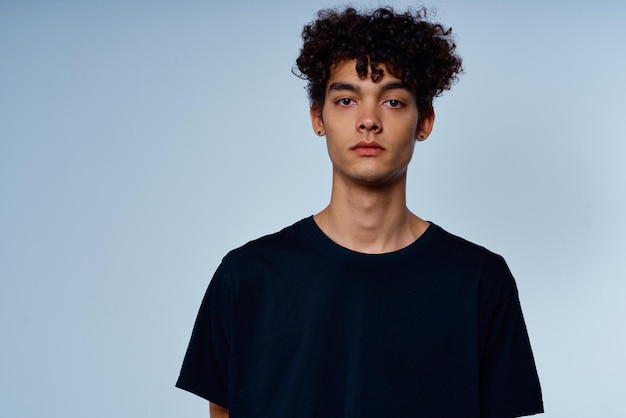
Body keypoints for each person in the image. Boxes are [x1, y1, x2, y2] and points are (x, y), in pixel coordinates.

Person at [176, 6, 543, 418]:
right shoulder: (247, 277)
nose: (369, 120)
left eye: (393, 101)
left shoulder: (480, 280)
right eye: (347, 100)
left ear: (425, 122)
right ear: (318, 116)